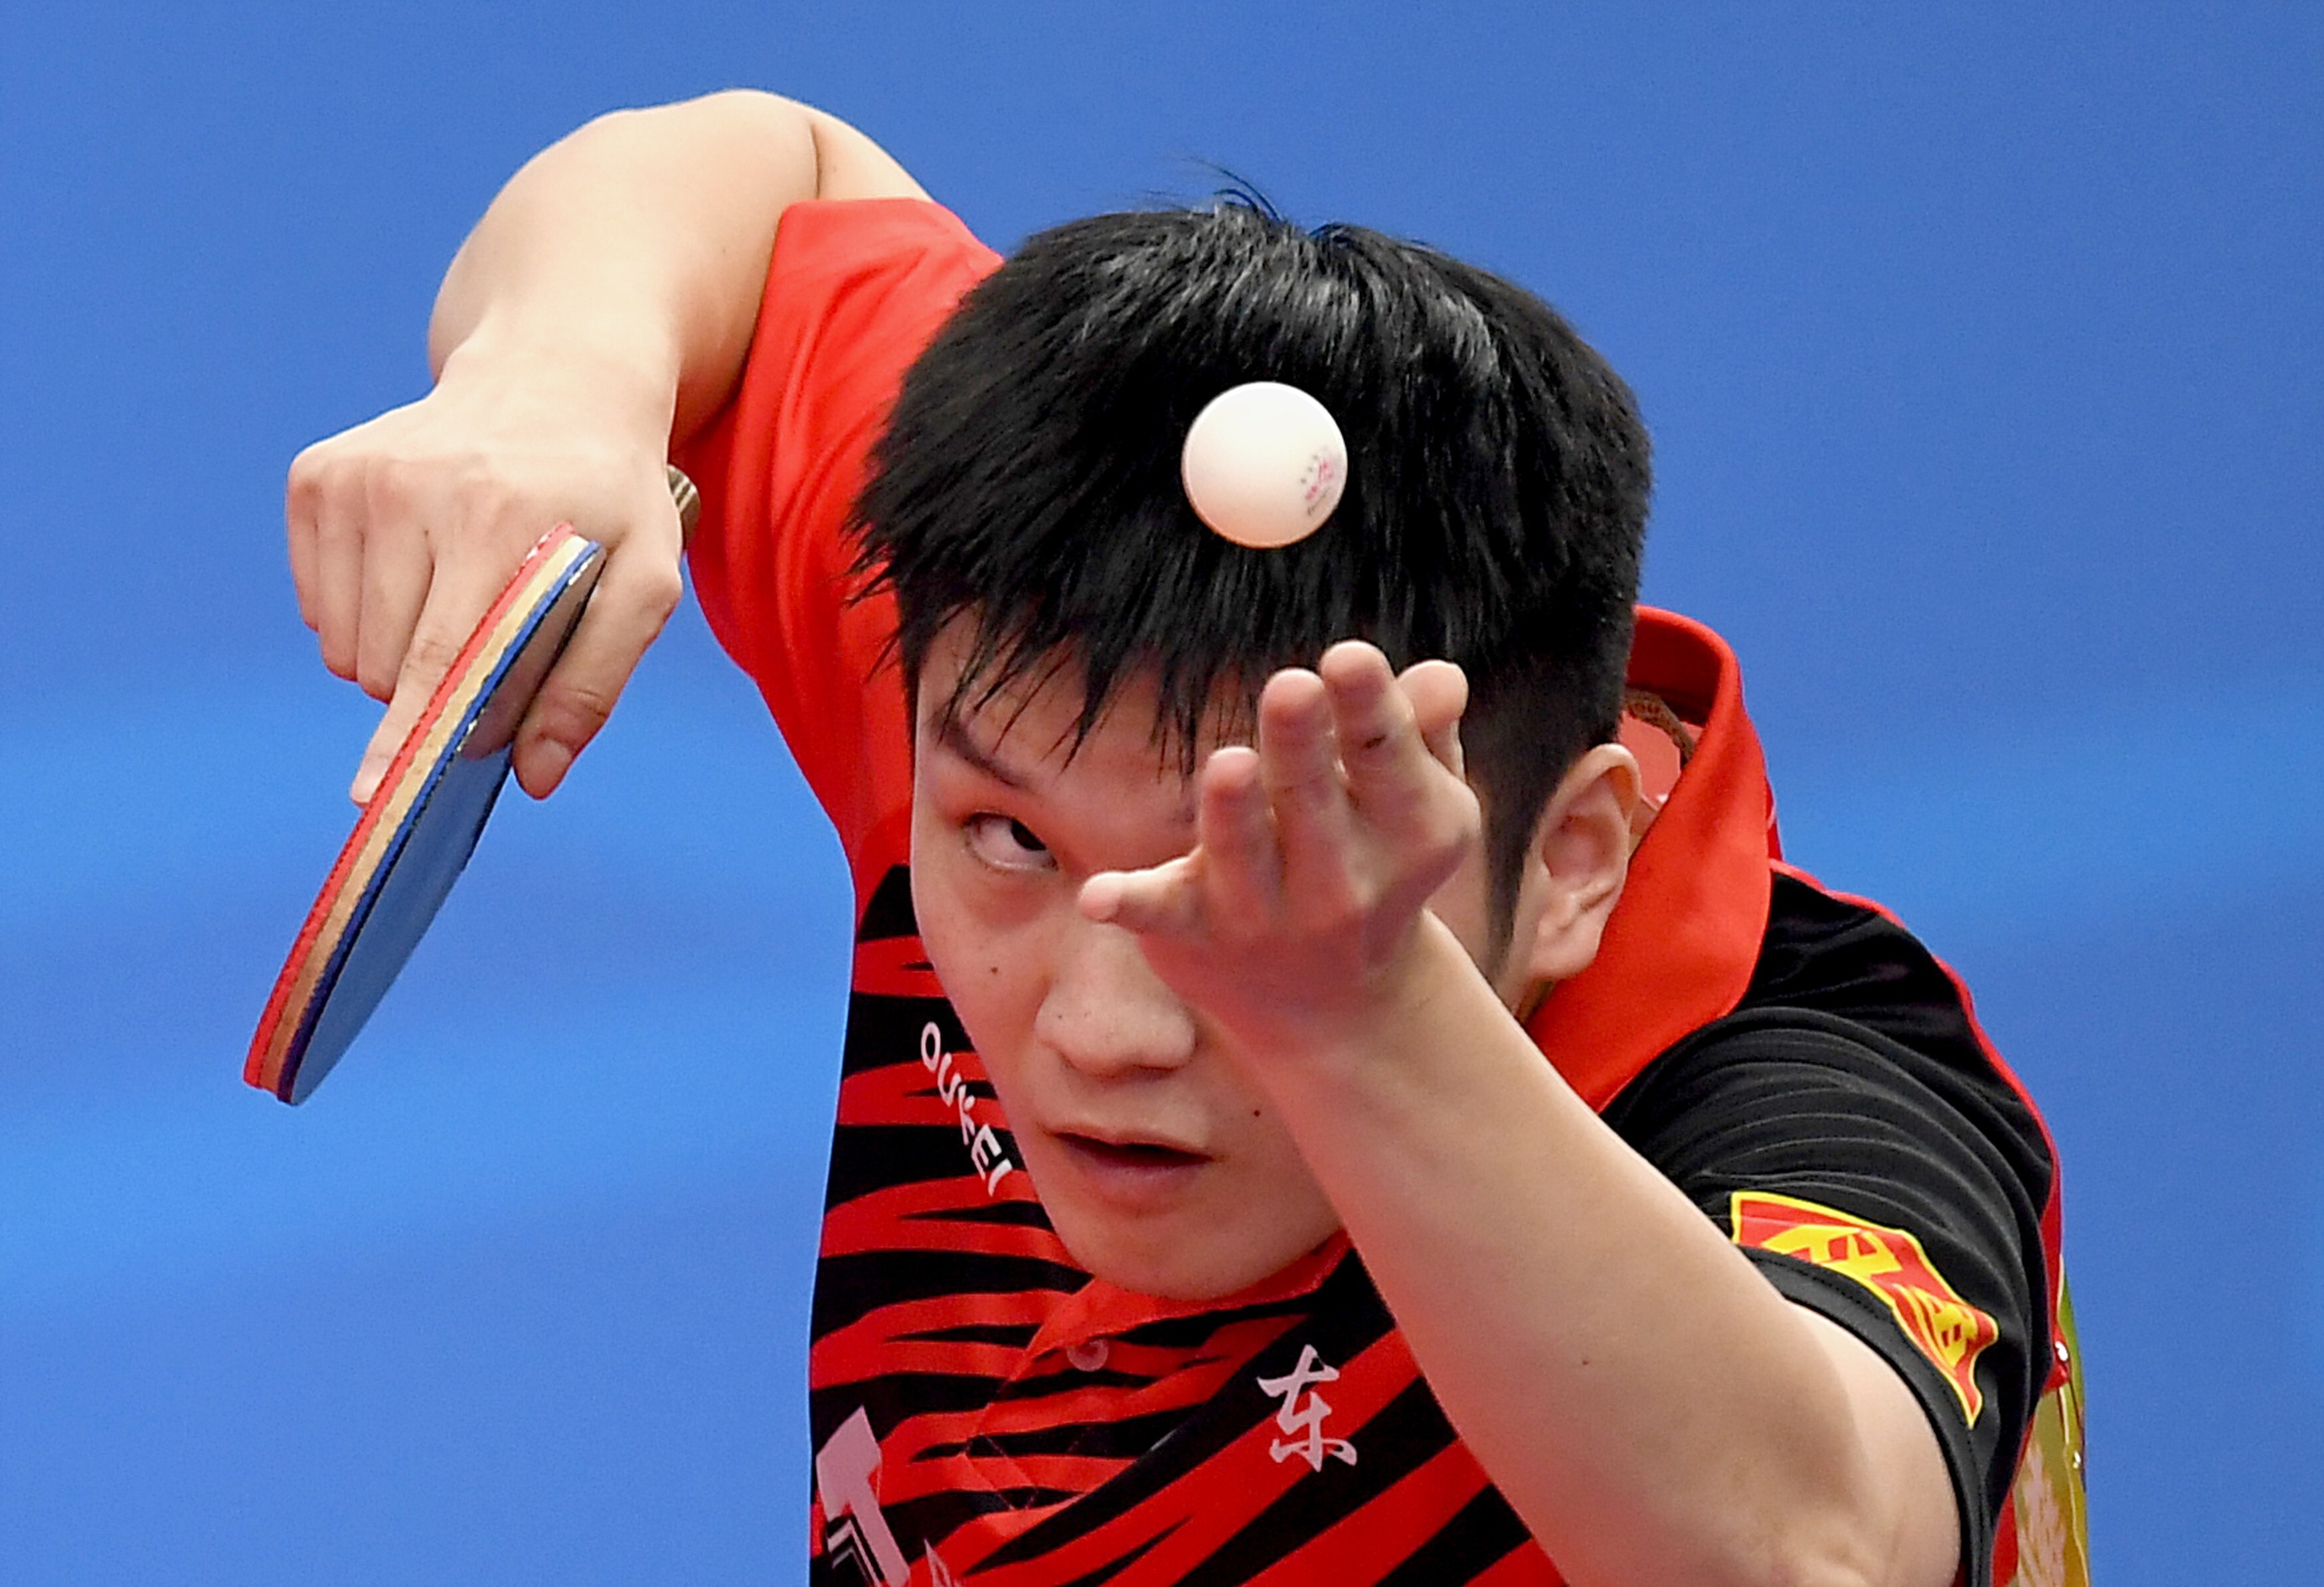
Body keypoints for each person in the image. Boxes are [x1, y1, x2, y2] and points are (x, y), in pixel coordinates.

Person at [285, 92, 2086, 1587]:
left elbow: (1811, 1553)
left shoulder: (1794, 1098)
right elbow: (772, 185)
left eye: (1254, 874)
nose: (1100, 1029)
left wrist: (1363, 1019)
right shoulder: (1030, 655)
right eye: (1004, 847)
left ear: (1576, 860)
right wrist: (555, 382)